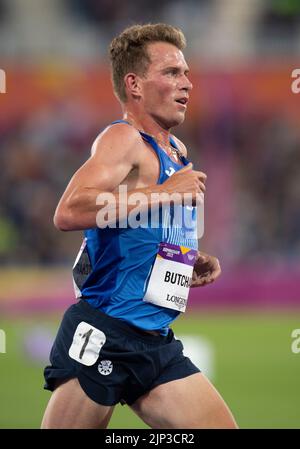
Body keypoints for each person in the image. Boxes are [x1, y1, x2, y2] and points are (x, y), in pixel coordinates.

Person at [41, 23, 238, 429]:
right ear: (134, 84)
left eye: (186, 73)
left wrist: (186, 258)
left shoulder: (176, 149)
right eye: (172, 73)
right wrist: (166, 192)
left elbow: (139, 225)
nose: (187, 83)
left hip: (154, 340)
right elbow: (69, 211)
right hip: (105, 332)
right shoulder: (122, 139)